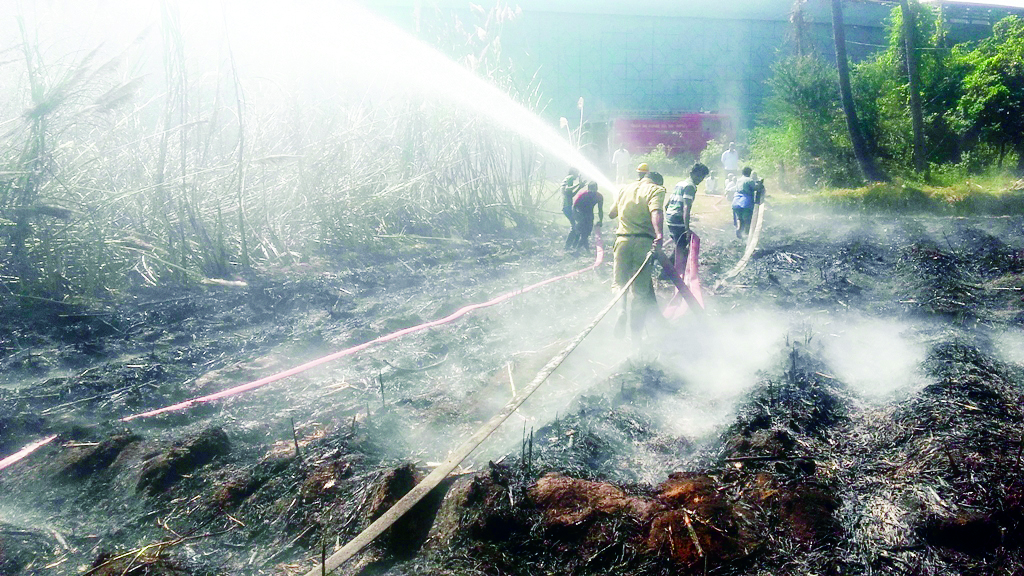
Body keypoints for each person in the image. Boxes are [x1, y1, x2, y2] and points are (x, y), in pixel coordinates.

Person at [607, 170, 666, 340]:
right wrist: (659, 234)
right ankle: (636, 336)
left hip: (622, 241)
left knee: (619, 284)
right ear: (657, 182)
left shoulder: (625, 189)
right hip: (643, 243)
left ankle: (621, 310)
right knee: (640, 292)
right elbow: (656, 212)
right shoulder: (656, 190)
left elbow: (612, 213)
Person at [666, 163, 710, 274]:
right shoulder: (690, 186)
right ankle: (669, 272)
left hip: (670, 216)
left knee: (679, 243)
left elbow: (667, 204)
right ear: (692, 173)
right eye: (698, 176)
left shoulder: (680, 183)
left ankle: (669, 270)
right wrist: (687, 228)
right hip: (677, 218)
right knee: (682, 245)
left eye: (702, 177)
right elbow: (686, 207)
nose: (700, 179)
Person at [568, 181, 604, 252]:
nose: (593, 192)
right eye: (592, 189)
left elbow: (600, 209)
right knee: (582, 232)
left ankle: (583, 249)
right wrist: (576, 216)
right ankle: (576, 248)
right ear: (588, 189)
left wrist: (600, 220)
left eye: (595, 189)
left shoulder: (599, 196)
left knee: (587, 232)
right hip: (580, 213)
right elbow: (574, 206)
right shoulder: (583, 194)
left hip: (590, 214)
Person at [732, 166, 763, 240]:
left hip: (736, 201)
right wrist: (760, 183)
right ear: (749, 173)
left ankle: (739, 232)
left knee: (740, 219)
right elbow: (756, 188)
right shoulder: (749, 180)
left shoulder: (738, 180)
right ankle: (747, 237)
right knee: (747, 220)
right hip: (745, 202)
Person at [560, 168, 584, 248]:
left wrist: (579, 187)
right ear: (574, 172)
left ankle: (570, 246)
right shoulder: (570, 178)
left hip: (567, 206)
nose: (577, 176)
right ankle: (570, 246)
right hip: (567, 206)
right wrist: (578, 185)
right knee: (576, 226)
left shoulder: (568, 179)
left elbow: (571, 194)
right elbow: (567, 189)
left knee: (576, 225)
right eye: (577, 173)